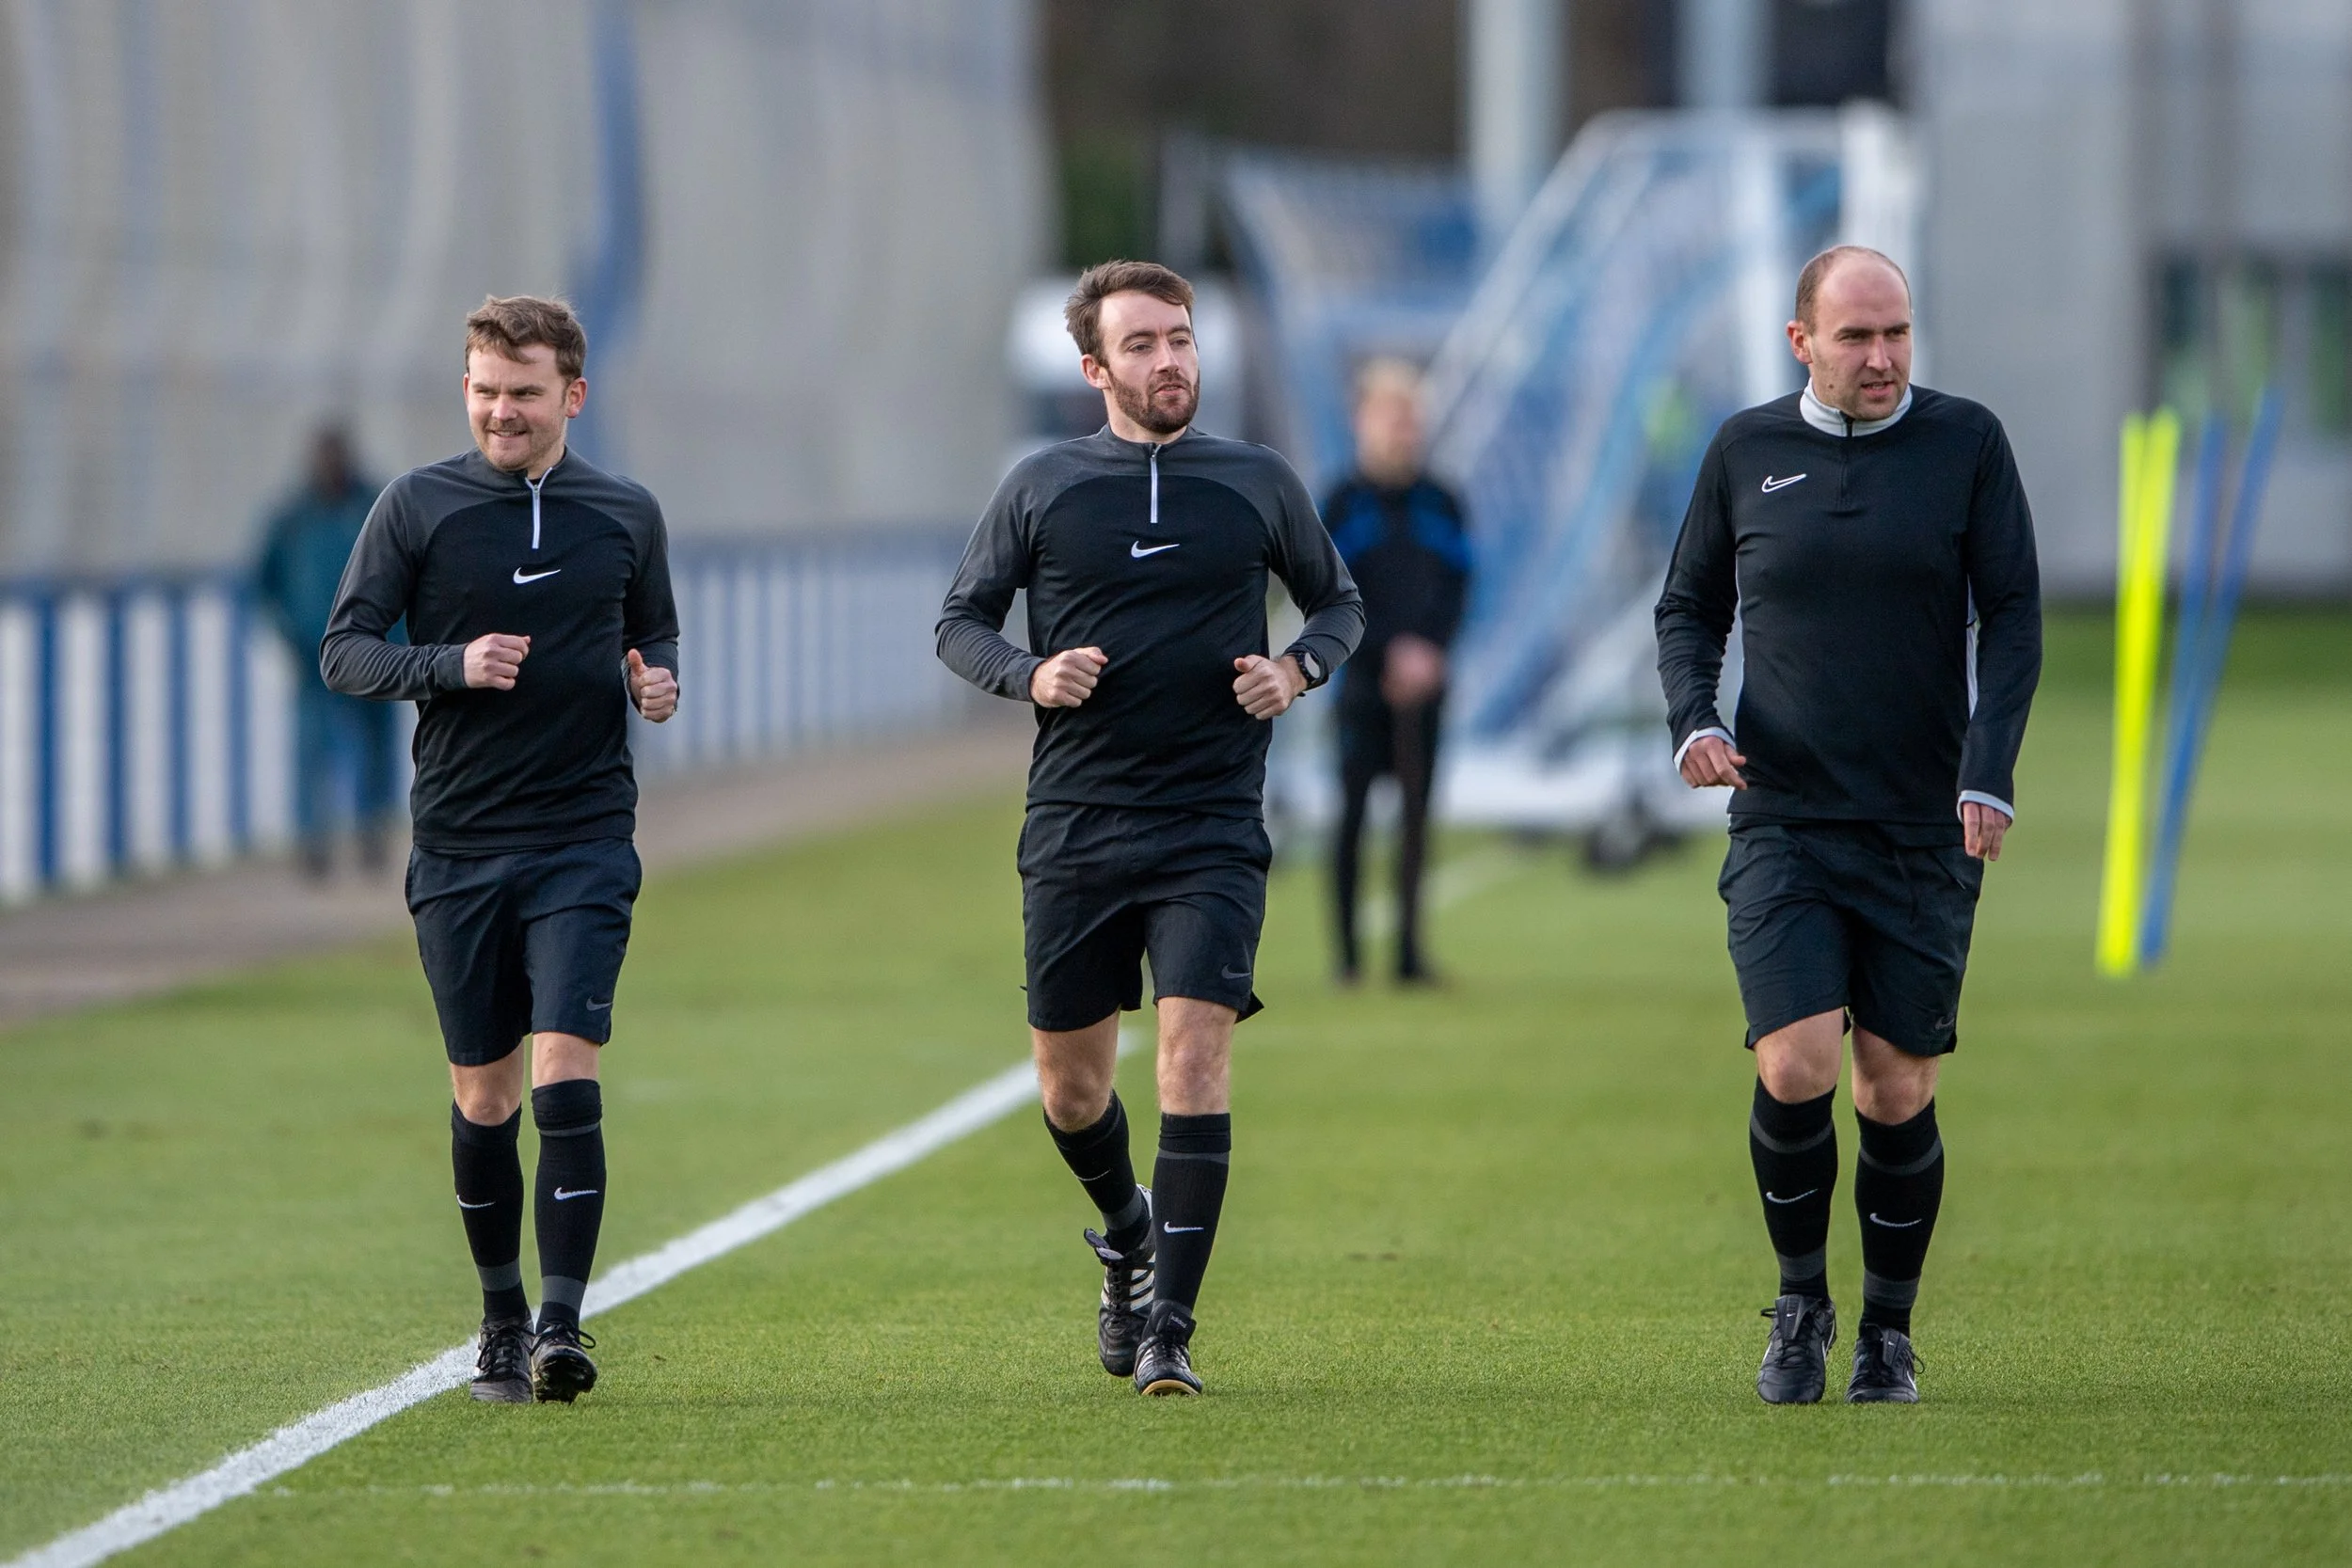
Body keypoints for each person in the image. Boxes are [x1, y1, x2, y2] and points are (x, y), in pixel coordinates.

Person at [936, 259, 1362, 1397]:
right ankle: (1128, 1233)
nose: (1169, 359)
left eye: (1180, 338)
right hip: (1075, 824)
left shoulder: (1257, 479)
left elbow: (1339, 601)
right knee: (1071, 1091)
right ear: (1094, 367)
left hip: (1210, 823)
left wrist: (1296, 666)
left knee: (1192, 1054)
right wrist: (1029, 675)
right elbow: (959, 621)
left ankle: (1170, 1325)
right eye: (1142, 344)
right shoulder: (1041, 486)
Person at [1654, 245, 2041, 1405]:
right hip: (1784, 817)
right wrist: (1691, 720)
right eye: (1856, 337)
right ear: (1800, 342)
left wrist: (1988, 770)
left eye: (1896, 335)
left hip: (1922, 824)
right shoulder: (1744, 450)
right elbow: (1687, 604)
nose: (1880, 358)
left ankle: (1886, 1328)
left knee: (1893, 1087)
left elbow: (2013, 613)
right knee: (1796, 1059)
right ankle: (1797, 1302)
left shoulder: (1965, 444)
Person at [321, 295, 679, 1404]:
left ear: (573, 394)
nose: (501, 411)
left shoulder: (625, 511)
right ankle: (500, 1317)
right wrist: (449, 664)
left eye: (523, 393)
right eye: (484, 390)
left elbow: (650, 627)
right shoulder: (415, 507)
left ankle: (563, 1326)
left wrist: (653, 679)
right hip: (461, 846)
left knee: (565, 1068)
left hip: (582, 837)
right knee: (484, 1095)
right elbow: (343, 652)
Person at [1320, 359, 1471, 985]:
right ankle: (1349, 959)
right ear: (1362, 420)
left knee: (1416, 816)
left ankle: (1410, 953)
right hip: (1361, 682)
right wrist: (1386, 652)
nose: (1402, 428)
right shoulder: (1340, 500)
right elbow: (1329, 591)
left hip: (1427, 684)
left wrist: (1429, 650)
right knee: (1352, 814)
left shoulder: (1444, 500)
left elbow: (1460, 584)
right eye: (1390, 414)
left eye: (1411, 416)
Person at [255, 427, 394, 878]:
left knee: (375, 749)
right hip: (314, 660)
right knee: (313, 751)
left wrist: (402, 644)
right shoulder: (293, 516)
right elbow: (263, 582)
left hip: (373, 656)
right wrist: (287, 633)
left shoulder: (376, 507)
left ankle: (371, 832)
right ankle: (313, 842)